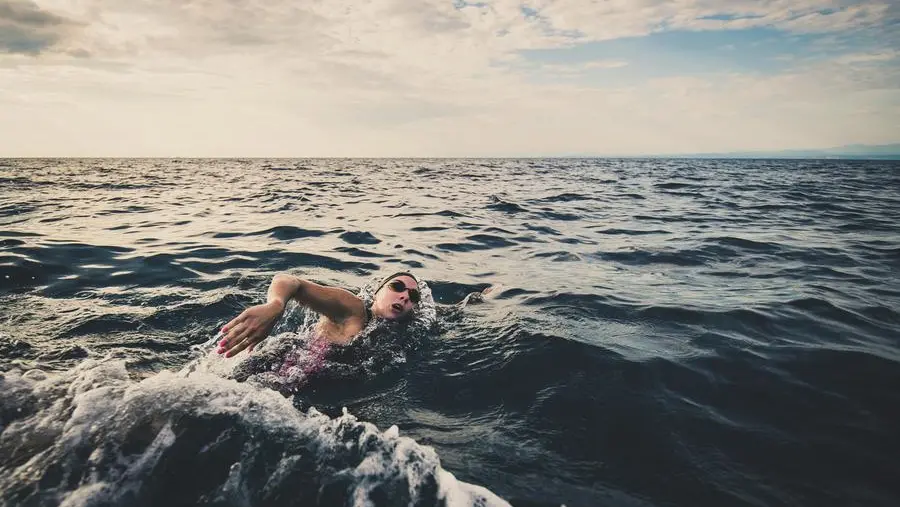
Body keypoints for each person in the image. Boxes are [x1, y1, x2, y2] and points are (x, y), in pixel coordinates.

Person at [217, 272, 424, 358]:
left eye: (412, 296)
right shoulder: (354, 309)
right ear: (377, 292)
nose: (405, 296)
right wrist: (276, 305)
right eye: (397, 287)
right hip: (280, 367)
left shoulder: (398, 333)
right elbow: (291, 281)